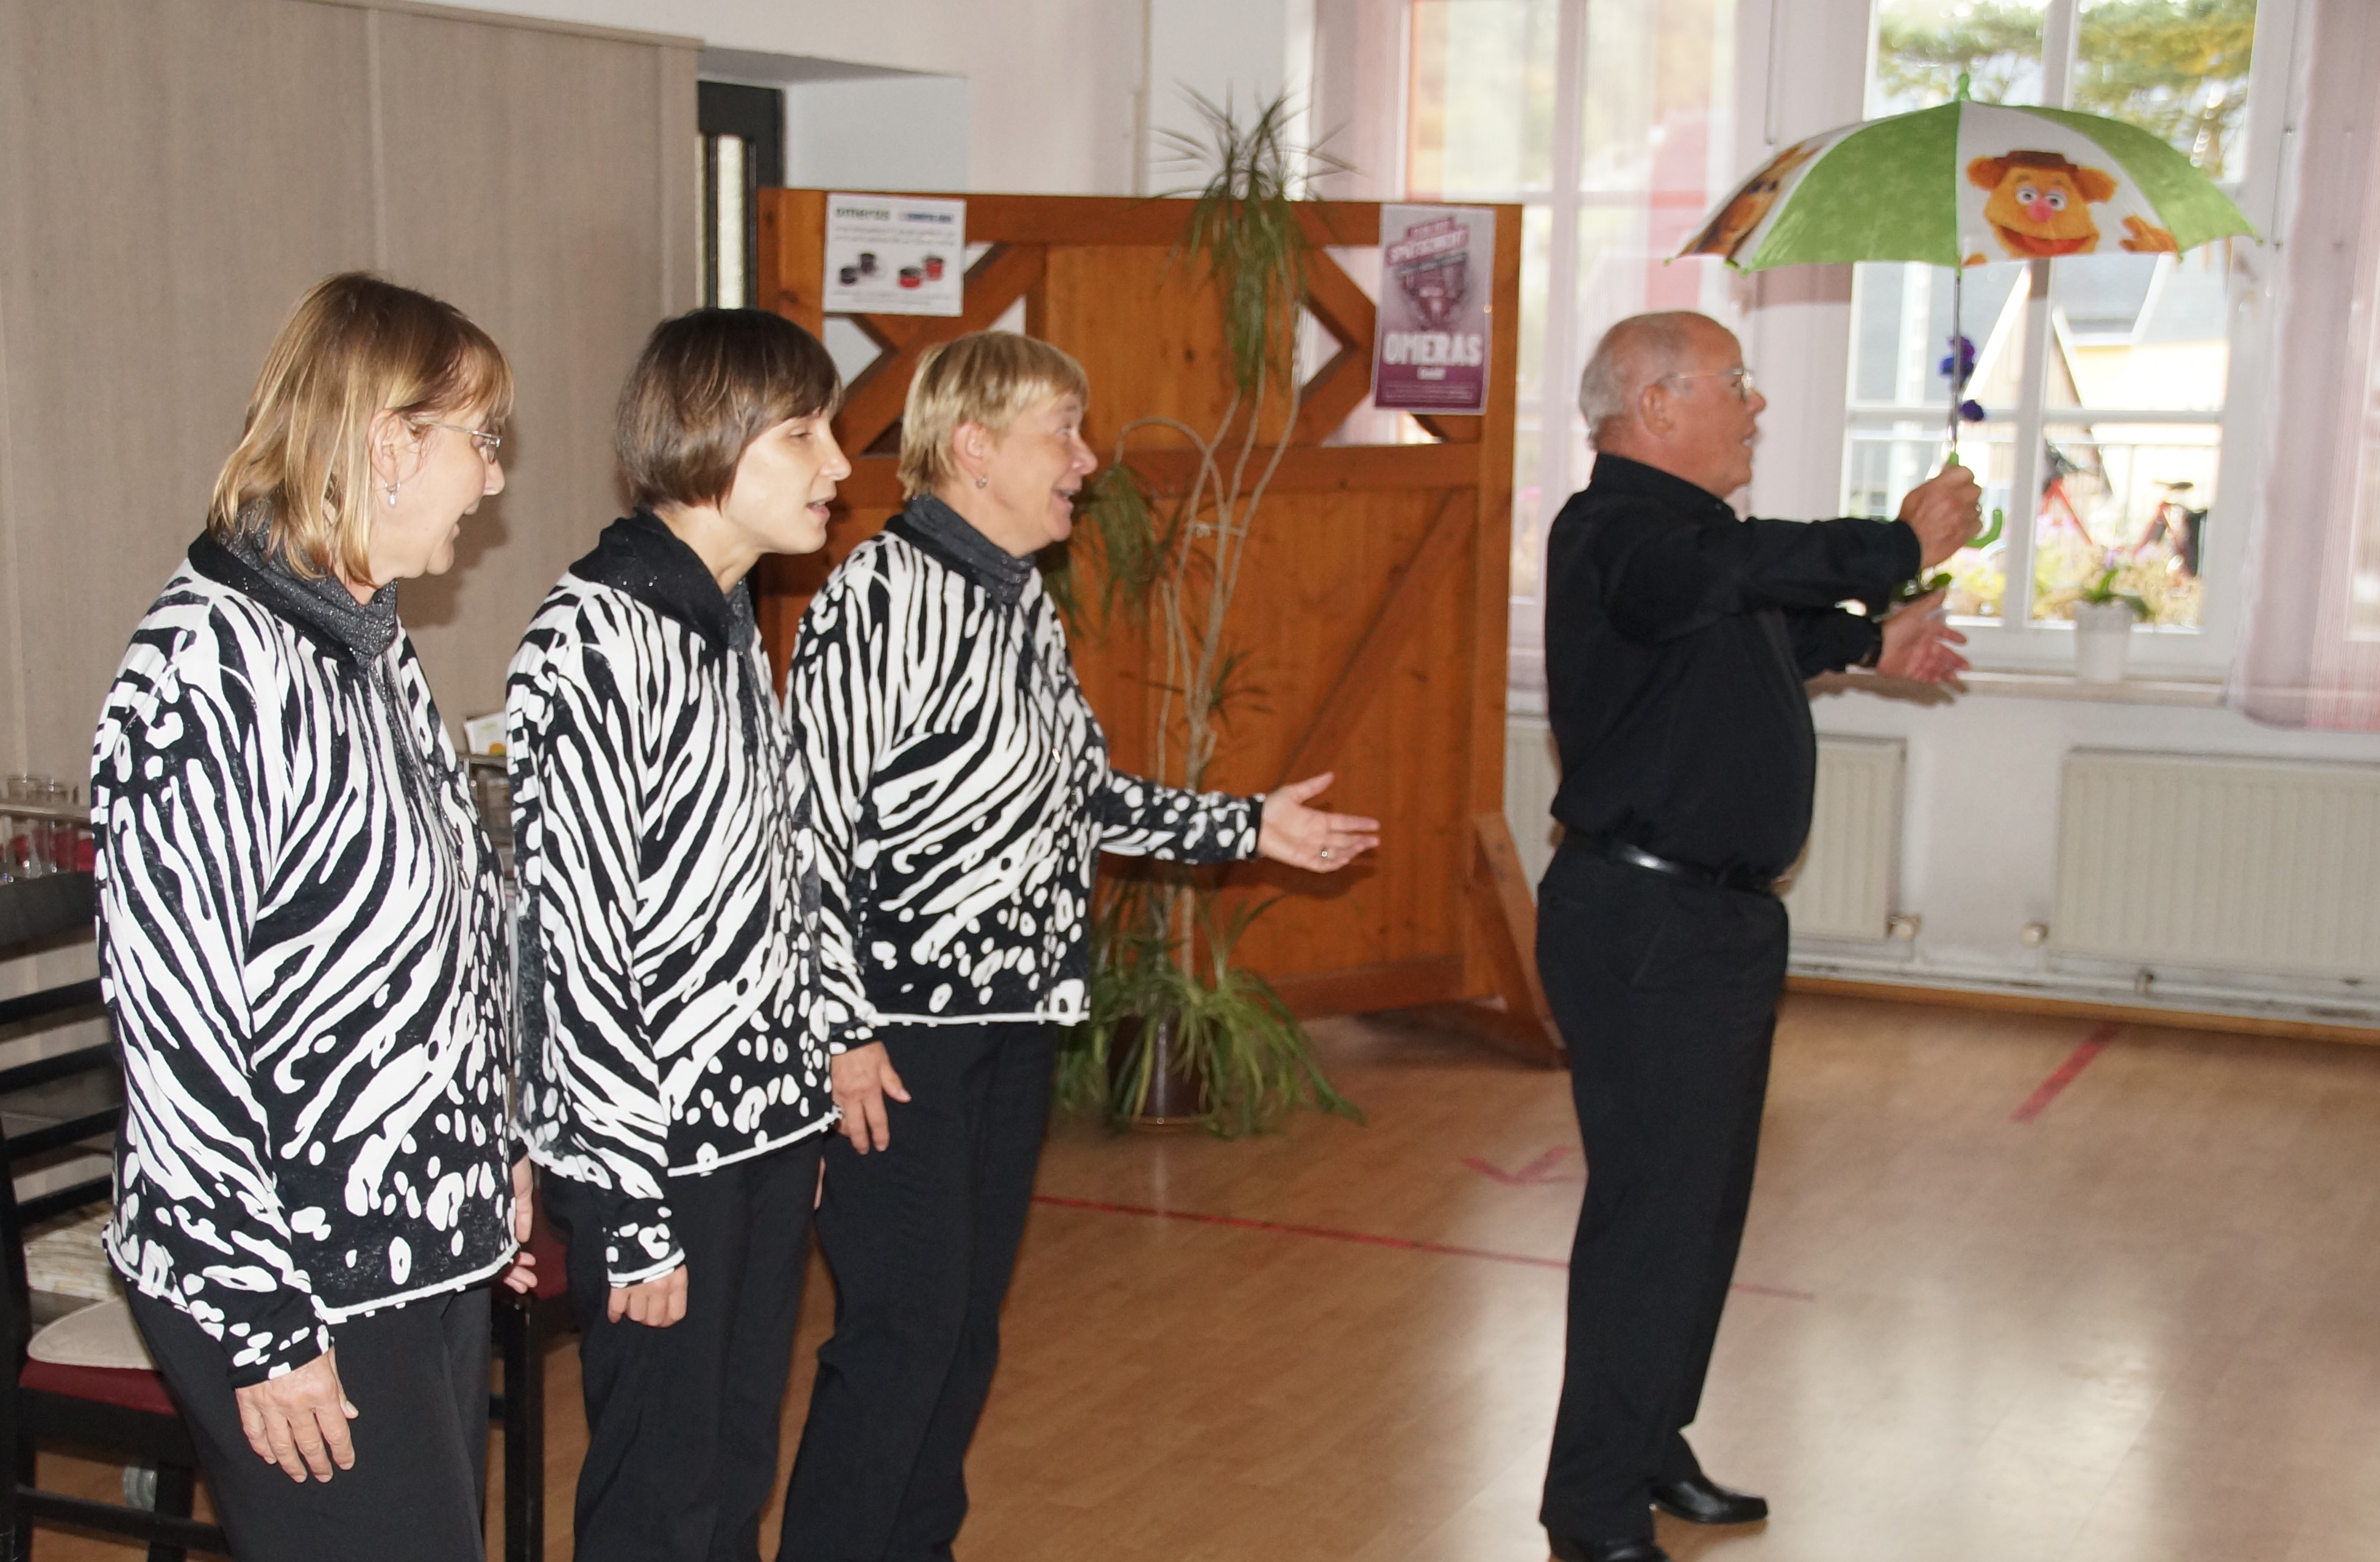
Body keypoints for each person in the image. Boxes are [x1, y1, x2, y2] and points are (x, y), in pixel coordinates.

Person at [777, 330, 1379, 1561]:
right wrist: (841, 1027)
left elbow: (1084, 794)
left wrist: (1252, 824)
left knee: (959, 1332)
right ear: (975, 445)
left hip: (1007, 1024)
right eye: (1065, 430)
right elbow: (807, 834)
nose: (1088, 459)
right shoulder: (877, 598)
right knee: (900, 1333)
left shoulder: (1015, 605)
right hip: (898, 1038)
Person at [91, 272, 532, 1561]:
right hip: (289, 1266)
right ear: (392, 443)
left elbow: (455, 928)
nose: (492, 479)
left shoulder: (367, 638)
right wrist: (264, 1321)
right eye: (480, 440)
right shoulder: (200, 673)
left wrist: (487, 1151)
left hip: (408, 1232)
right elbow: (178, 1039)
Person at [1535, 311, 1977, 1562]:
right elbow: (1725, 585)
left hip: (1710, 922)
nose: (1757, 403)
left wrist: (1866, 637)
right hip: (1644, 921)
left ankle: (1649, 1433)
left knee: (1703, 1208)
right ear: (1656, 404)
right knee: (1654, 1215)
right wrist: (1894, 543)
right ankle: (1594, 1515)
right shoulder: (1617, 529)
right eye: (1736, 381)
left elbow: (1753, 630)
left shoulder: (1690, 543)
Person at [505, 308, 848, 1562]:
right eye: (804, 434)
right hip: (654, 1149)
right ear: (710, 438)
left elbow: (761, 887)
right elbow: (581, 945)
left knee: (730, 1469)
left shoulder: (724, 615)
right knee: (660, 1494)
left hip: (752, 1130)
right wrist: (634, 1209)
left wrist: (792, 1100)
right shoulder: (594, 632)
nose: (839, 466)